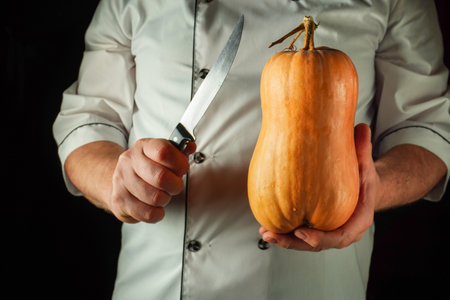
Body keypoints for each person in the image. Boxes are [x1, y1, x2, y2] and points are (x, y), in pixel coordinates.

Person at [53, 0, 449, 299]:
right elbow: (90, 117)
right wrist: (114, 180)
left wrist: (375, 187)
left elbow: (428, 126)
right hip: (156, 283)